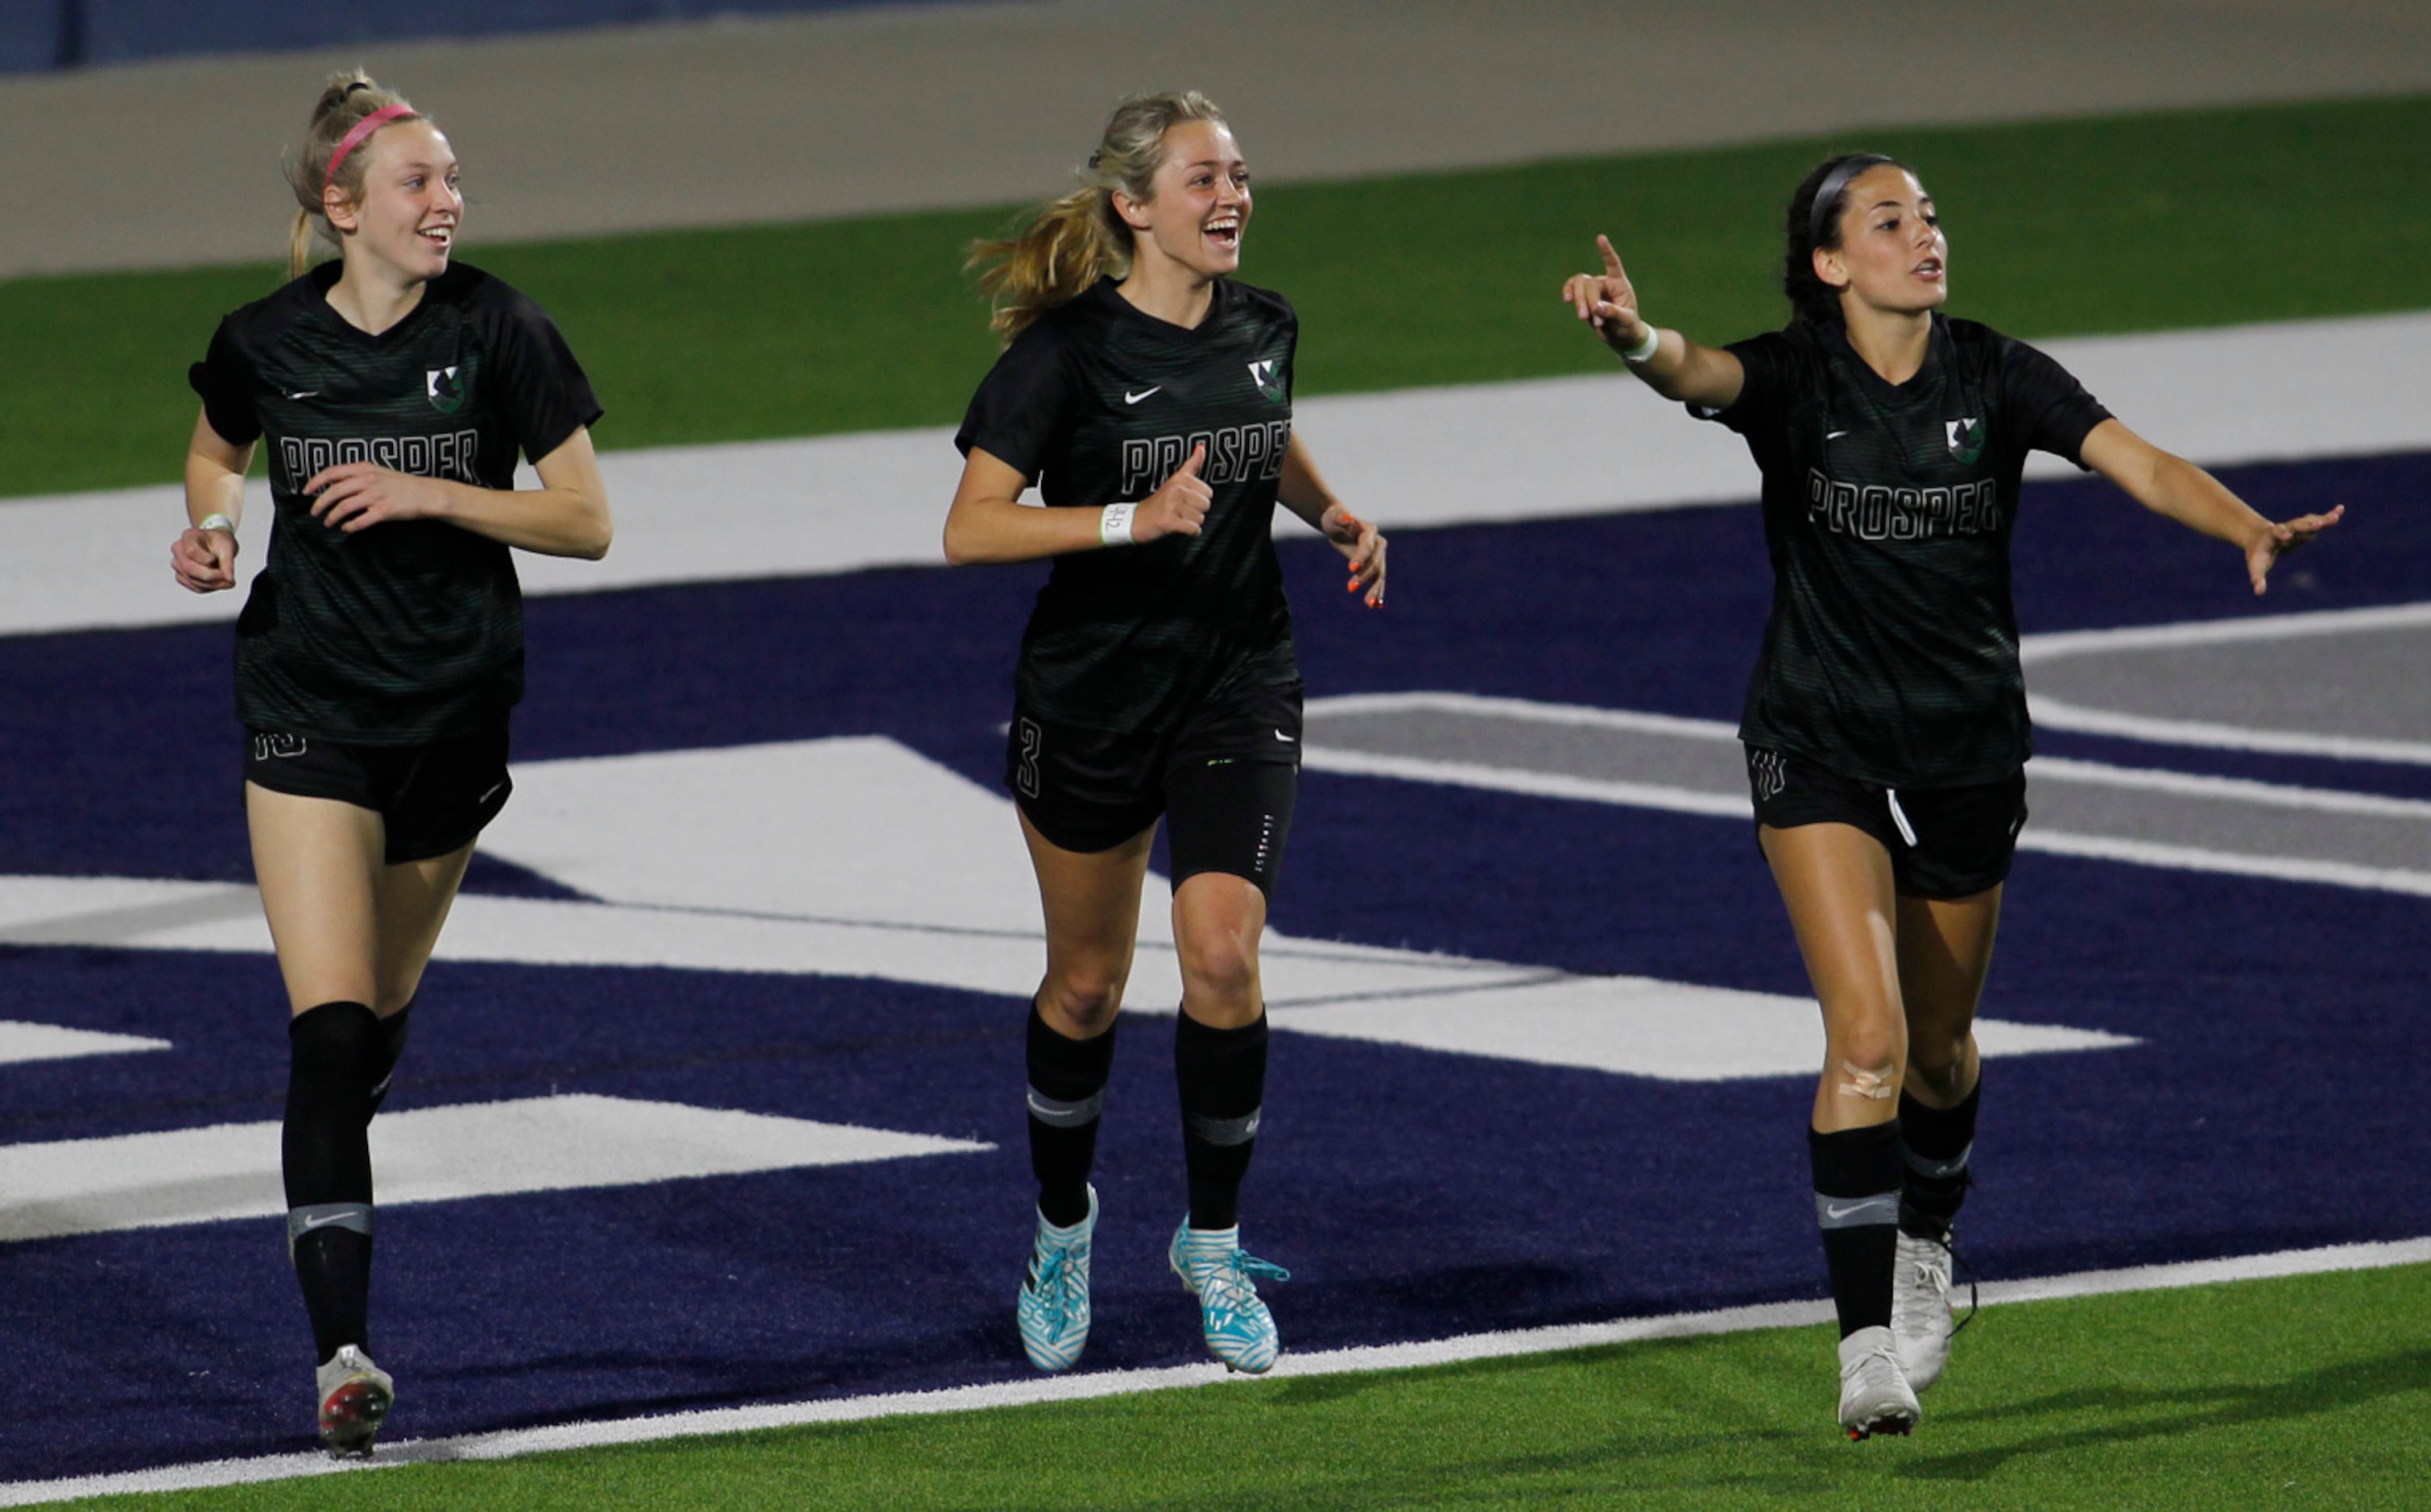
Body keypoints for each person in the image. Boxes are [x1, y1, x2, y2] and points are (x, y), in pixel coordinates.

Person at [1562, 153, 2339, 1439]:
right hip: (1816, 742)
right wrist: (1635, 332)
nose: (1923, 235)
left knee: (1937, 1049)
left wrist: (2243, 524)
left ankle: (1928, 1235)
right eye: (1889, 220)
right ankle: (1865, 1342)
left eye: (1927, 216)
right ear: (1829, 263)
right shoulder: (1799, 377)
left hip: (1970, 751)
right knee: (1862, 1039)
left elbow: (2136, 460)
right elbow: (1696, 373)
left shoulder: (1998, 373)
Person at [173, 71, 611, 1456]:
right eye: (420, 183)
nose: (448, 202)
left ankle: (335, 1132)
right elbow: (212, 444)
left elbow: (588, 519)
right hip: (307, 703)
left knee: (373, 1035)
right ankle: (341, 1356)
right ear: (339, 207)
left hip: (455, 718)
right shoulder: (263, 338)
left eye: (454, 180)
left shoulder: (501, 328)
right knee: (332, 1028)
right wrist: (210, 526)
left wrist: (428, 489)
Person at [945, 90, 1386, 1378]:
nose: (1232, 196)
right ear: (1134, 206)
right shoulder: (1065, 354)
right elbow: (971, 523)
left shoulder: (1265, 324)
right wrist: (1129, 522)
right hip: (1092, 696)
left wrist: (1332, 508)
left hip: (1238, 680)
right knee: (1086, 985)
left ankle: (1212, 1240)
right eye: (1202, 179)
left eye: (1240, 173)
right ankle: (1064, 1227)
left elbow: (1264, 430)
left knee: (1224, 957)